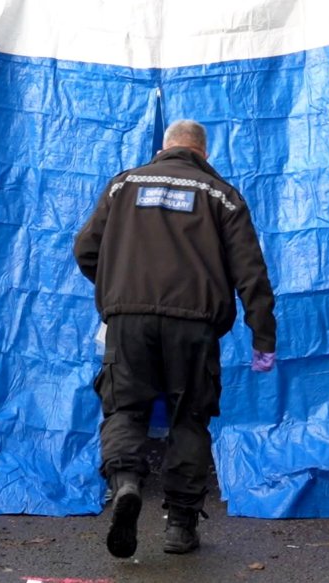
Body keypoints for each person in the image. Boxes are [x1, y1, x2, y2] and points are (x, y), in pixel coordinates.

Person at [73, 119, 277, 558]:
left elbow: (85, 250)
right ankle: (180, 529)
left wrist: (117, 290)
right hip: (194, 325)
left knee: (125, 408)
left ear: (166, 148)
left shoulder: (123, 185)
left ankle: (126, 483)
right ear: (204, 153)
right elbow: (250, 273)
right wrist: (263, 336)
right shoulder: (221, 195)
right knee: (189, 418)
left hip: (127, 321)